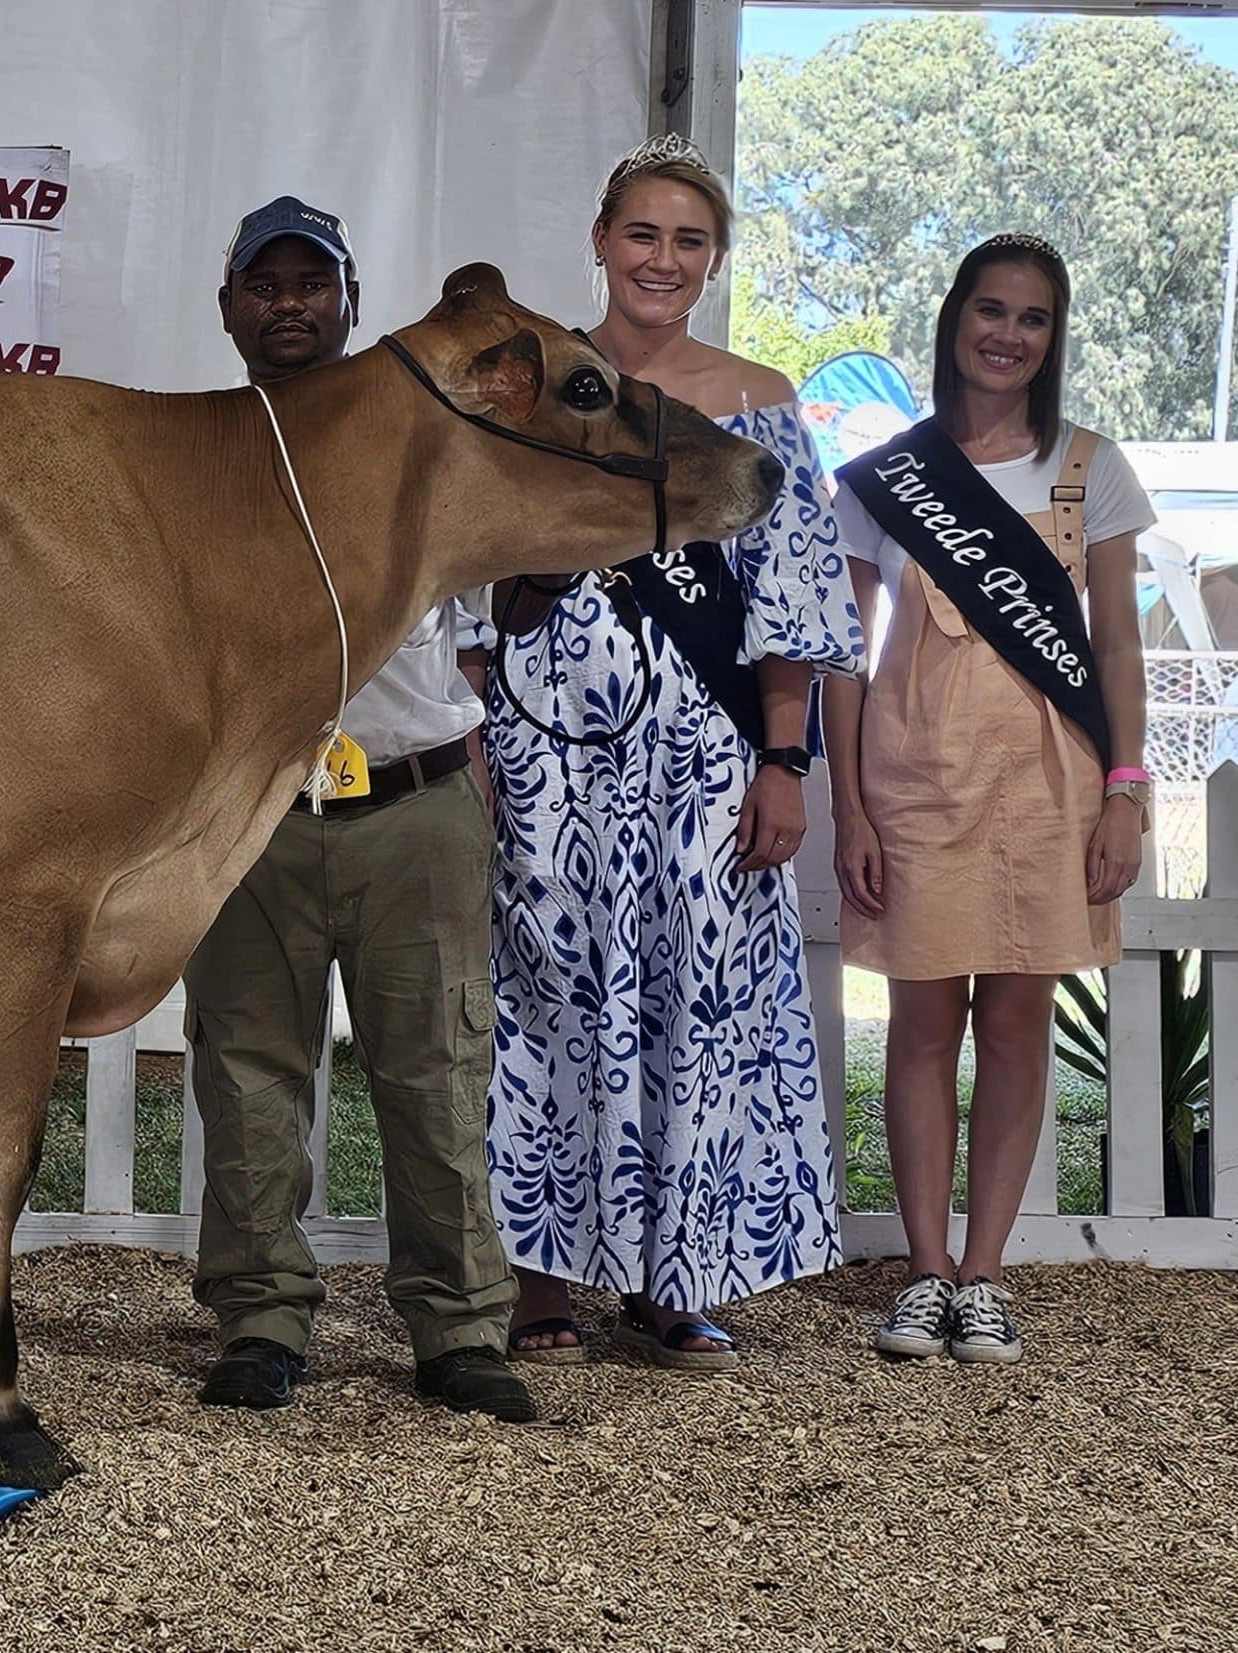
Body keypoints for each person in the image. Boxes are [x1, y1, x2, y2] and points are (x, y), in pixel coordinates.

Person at [483, 136, 862, 1370]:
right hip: (546, 748)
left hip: (706, 753)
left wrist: (785, 762)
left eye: (687, 240)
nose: (662, 259)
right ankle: (540, 1282)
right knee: (547, 995)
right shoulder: (537, 383)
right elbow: (469, 567)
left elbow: (791, 600)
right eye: (641, 233)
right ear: (599, 239)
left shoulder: (756, 398)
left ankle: (675, 1276)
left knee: (690, 1000)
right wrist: (474, 719)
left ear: (712, 260)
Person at [184, 196, 530, 1423]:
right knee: (248, 1070)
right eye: (263, 285)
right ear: (226, 307)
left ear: (349, 304)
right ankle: (262, 1316)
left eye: (309, 284)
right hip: (255, 808)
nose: (288, 304)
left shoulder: (425, 439)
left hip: (415, 799)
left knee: (435, 1067)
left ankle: (457, 1326)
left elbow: (497, 619)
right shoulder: (195, 453)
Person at [828, 234, 1152, 1364]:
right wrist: (852, 810)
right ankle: (923, 1273)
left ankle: (985, 1276)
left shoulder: (1090, 468)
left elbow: (1117, 650)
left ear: (1052, 339)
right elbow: (841, 656)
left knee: (1015, 1027)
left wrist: (1127, 792)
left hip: (1051, 783)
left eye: (1032, 318)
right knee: (921, 1027)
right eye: (989, 310)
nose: (1007, 335)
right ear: (954, 319)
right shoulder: (883, 479)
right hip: (914, 773)